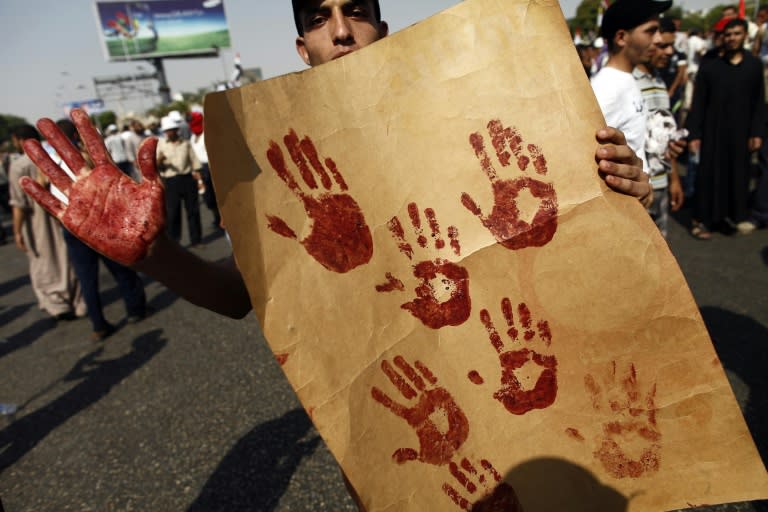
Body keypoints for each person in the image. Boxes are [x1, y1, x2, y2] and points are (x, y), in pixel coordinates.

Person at [20, 0, 651, 319]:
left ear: (382, 26)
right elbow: (239, 296)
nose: (342, 31)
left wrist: (624, 191)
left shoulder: (486, 118)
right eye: (322, 19)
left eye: (355, 13)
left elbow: (590, 234)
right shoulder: (287, 172)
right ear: (303, 47)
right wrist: (154, 251)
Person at [54, 118, 148, 341]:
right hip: (100, 223)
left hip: (71, 226)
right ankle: (135, 309)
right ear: (76, 136)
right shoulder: (87, 159)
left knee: (87, 278)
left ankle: (98, 324)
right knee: (121, 267)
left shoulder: (54, 163)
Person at [686, 17, 768, 237]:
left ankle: (724, 217)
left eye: (737, 34)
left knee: (736, 176)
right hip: (713, 132)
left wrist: (757, 132)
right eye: (728, 34)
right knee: (709, 175)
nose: (732, 38)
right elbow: (699, 102)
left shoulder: (753, 65)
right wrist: (694, 133)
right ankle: (701, 219)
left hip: (741, 134)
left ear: (745, 36)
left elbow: (758, 102)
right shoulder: (711, 66)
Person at [8, 124, 85, 321]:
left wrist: (16, 231)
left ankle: (57, 304)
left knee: (43, 260)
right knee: (66, 257)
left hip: (36, 220)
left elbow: (19, 204)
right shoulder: (50, 157)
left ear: (18, 139)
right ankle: (78, 301)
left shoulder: (18, 166)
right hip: (61, 214)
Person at [590, 0, 671, 182]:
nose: (659, 40)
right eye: (651, 31)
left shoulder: (627, 78)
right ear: (621, 38)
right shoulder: (605, 89)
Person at [633, 17, 685, 237]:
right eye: (663, 45)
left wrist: (674, 179)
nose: (670, 52)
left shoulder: (660, 82)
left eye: (671, 45)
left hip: (661, 185)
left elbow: (665, 140)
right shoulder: (627, 83)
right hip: (638, 190)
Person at [157, 115, 203, 247]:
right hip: (171, 181)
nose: (170, 132)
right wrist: (159, 161)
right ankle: (175, 242)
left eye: (172, 129)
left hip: (187, 179)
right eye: (167, 130)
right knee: (173, 213)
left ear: (176, 129)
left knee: (193, 211)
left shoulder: (186, 143)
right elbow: (156, 165)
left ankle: (196, 240)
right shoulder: (161, 145)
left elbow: (195, 163)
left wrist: (200, 181)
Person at [188, 110, 221, 228]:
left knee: (219, 195)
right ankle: (216, 216)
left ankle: (222, 218)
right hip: (200, 169)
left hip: (212, 167)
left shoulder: (206, 134)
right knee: (207, 197)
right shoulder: (192, 138)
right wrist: (195, 171)